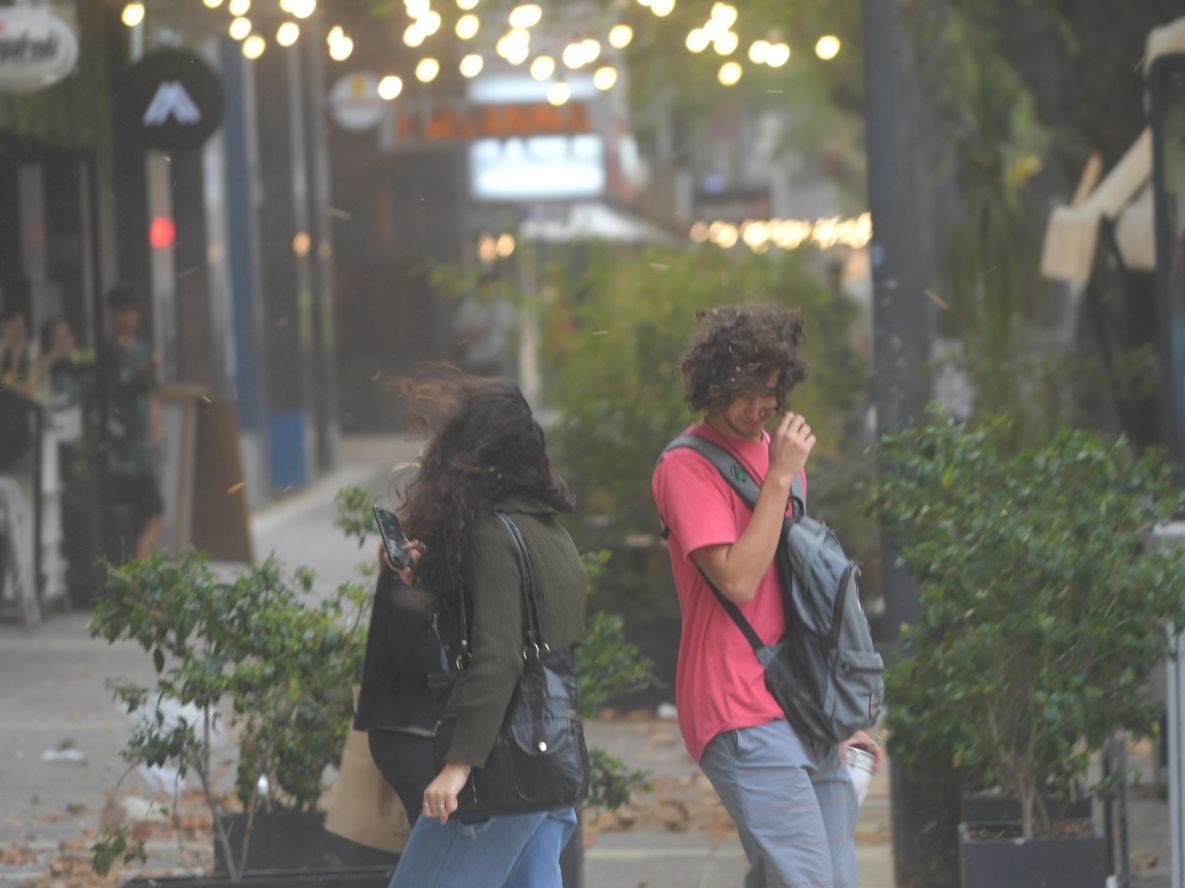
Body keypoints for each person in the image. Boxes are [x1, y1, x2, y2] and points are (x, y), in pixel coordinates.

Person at [651, 305, 883, 888]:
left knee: (829, 878)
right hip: (737, 707)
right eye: (749, 395)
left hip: (802, 701)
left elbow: (797, 592)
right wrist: (779, 478)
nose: (762, 410)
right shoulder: (687, 466)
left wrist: (839, 712)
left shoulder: (780, 461)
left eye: (773, 396)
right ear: (713, 386)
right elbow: (737, 579)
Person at [387, 375, 587, 888]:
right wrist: (437, 587)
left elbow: (498, 657)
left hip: (498, 775)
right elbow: (534, 637)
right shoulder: (548, 531)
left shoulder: (490, 535)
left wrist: (459, 765)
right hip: (549, 765)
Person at [354, 551, 446, 826]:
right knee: (437, 845)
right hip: (414, 732)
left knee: (437, 843)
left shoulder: (414, 577)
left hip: (414, 730)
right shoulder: (406, 579)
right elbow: (423, 658)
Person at [103, 287, 165, 559]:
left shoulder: (142, 349)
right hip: (120, 448)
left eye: (132, 312)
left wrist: (155, 434)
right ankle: (141, 579)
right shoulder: (108, 351)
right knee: (153, 517)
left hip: (140, 448)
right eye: (123, 311)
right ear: (113, 314)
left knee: (145, 518)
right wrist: (148, 372)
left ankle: (138, 575)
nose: (129, 318)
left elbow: (151, 395)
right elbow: (131, 384)